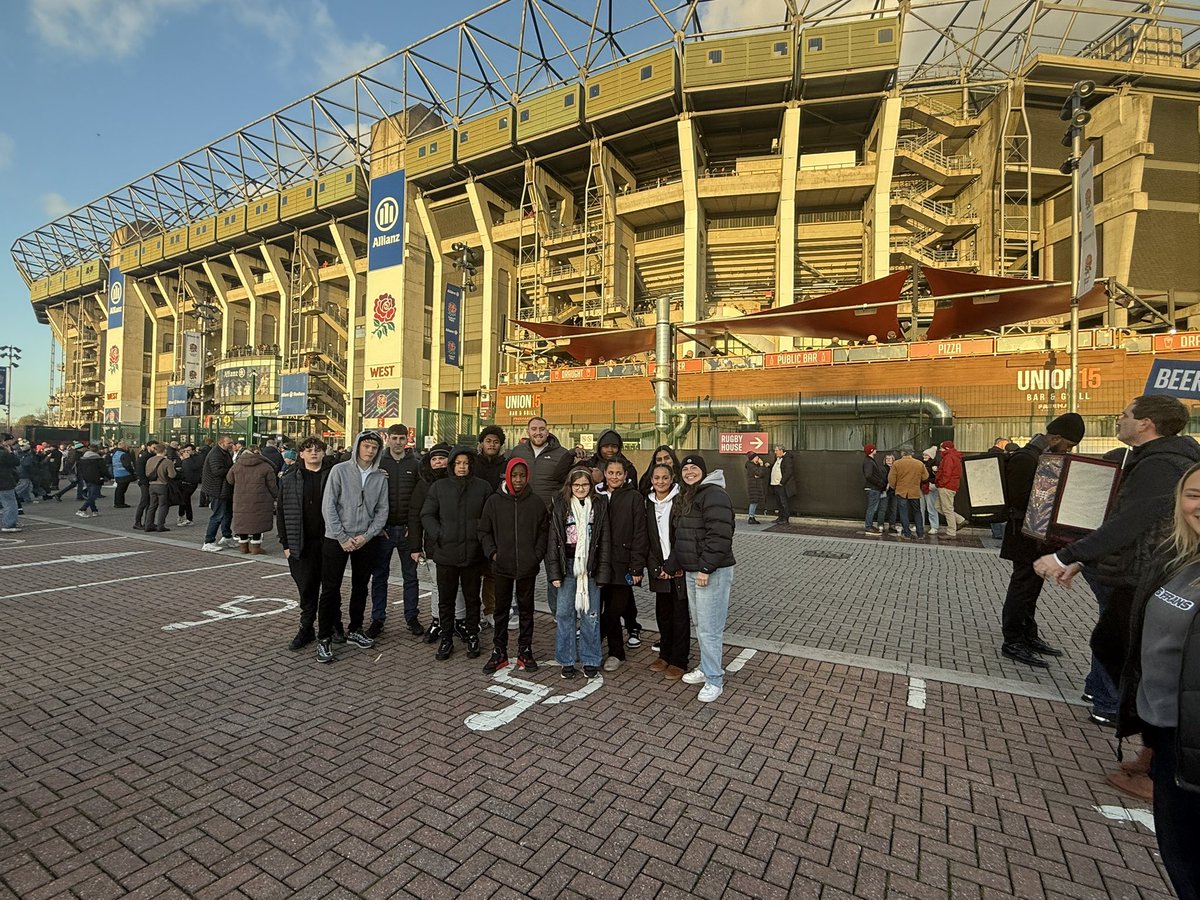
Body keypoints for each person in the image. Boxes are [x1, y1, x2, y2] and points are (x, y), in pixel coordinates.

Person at [1038, 396, 1200, 706]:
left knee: (1123, 648)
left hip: (1145, 573)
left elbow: (1128, 522)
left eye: (1124, 414)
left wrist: (1065, 556)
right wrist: (1084, 561)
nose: (1118, 419)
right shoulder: (1154, 458)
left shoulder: (1161, 463)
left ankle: (1126, 711)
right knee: (1113, 642)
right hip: (1135, 570)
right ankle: (1125, 713)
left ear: (1145, 424)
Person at [1094, 463, 1200, 900]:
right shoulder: (1178, 556)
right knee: (1179, 851)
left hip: (1193, 740)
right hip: (1165, 729)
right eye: (1194, 494)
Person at [997, 413, 1085, 667]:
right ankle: (1012, 640)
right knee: (1022, 588)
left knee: (1031, 589)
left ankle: (1028, 634)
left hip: (1037, 536)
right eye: (1067, 444)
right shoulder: (1026, 458)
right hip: (1024, 536)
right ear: (1055, 437)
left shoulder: (1042, 457)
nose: (1068, 450)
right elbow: (1020, 499)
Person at [667, 454, 735, 702]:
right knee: (701, 625)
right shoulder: (690, 495)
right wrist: (673, 564)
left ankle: (714, 679)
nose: (689, 472)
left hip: (711, 572)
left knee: (710, 629)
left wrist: (706, 568)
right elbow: (684, 535)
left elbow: (719, 535)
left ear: (703, 471)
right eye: (685, 469)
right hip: (693, 571)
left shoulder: (714, 495)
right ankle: (707, 667)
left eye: (694, 468)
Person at [316, 431, 389, 663]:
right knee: (330, 589)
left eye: (374, 447)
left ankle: (355, 629)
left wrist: (366, 536)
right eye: (366, 446)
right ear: (357, 446)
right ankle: (324, 637)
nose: (370, 451)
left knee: (360, 586)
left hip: (364, 540)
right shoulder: (340, 471)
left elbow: (382, 511)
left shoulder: (380, 477)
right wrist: (342, 537)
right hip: (336, 539)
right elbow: (329, 506)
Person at [478, 458, 549, 673]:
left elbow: (544, 531)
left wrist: (536, 555)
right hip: (502, 566)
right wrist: (493, 554)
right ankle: (499, 651)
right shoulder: (494, 501)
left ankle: (525, 651)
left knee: (526, 610)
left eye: (522, 475)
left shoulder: (535, 502)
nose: (518, 480)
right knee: (501, 610)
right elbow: (484, 531)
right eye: (514, 475)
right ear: (507, 475)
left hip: (527, 566)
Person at [421, 446, 492, 661]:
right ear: (452, 465)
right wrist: (439, 534)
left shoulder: (483, 487)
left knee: (472, 599)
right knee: (446, 600)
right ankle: (446, 639)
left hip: (473, 554)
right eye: (458, 463)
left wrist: (481, 537)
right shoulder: (439, 487)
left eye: (466, 463)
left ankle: (472, 635)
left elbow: (490, 516)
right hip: (446, 554)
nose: (462, 467)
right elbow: (427, 514)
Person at [547, 465, 611, 680]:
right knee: (564, 613)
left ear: (591, 485)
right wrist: (554, 574)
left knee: (590, 615)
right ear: (570, 486)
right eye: (577, 485)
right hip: (567, 565)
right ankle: (566, 659)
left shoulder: (600, 505)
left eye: (585, 484)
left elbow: (604, 541)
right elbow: (553, 540)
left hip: (590, 567)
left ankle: (591, 659)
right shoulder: (561, 505)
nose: (581, 488)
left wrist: (602, 573)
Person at [510, 416, 574, 614]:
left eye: (542, 429)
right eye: (534, 429)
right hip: (522, 520)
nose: (538, 432)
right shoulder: (517, 451)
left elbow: (568, 486)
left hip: (551, 521)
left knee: (553, 568)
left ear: (548, 430)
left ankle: (557, 611)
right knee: (519, 567)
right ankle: (517, 608)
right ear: (527, 431)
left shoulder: (562, 454)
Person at [277, 436, 334, 651]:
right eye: (309, 450)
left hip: (328, 541)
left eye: (318, 450)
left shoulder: (332, 476)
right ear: (301, 454)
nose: (313, 453)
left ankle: (332, 626)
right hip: (301, 543)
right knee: (307, 588)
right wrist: (285, 543)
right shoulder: (290, 478)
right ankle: (306, 628)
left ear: (323, 453)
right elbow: (281, 512)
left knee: (330, 588)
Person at [373, 424, 423, 638]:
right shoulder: (378, 462)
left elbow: (419, 499)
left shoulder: (416, 464)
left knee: (410, 577)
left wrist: (414, 529)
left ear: (407, 439)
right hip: (382, 532)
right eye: (394, 438)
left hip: (406, 532)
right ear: (388, 439)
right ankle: (377, 619)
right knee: (379, 577)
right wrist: (377, 526)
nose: (398, 442)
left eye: (401, 438)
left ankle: (411, 618)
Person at [598, 458, 648, 672]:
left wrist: (637, 567)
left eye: (619, 473)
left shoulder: (634, 497)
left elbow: (640, 533)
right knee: (601, 609)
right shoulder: (596, 496)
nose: (615, 476)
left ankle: (614, 652)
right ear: (605, 473)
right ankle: (612, 649)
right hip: (599, 564)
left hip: (623, 564)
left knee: (613, 611)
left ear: (625, 475)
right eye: (611, 472)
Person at [646, 462, 688, 679]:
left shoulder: (680, 500)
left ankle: (679, 660)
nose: (660, 481)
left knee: (680, 615)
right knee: (663, 614)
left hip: (677, 566)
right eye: (656, 478)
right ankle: (664, 654)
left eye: (664, 477)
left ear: (672, 479)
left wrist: (672, 566)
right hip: (659, 568)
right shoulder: (648, 502)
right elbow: (647, 538)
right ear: (651, 480)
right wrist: (656, 568)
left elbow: (684, 537)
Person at [410, 443, 452, 643]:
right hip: (434, 544)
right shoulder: (424, 484)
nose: (438, 462)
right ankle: (437, 621)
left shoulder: (457, 480)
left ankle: (457, 621)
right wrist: (415, 546)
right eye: (434, 459)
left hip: (459, 544)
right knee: (437, 585)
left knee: (458, 586)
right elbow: (415, 516)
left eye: (442, 458)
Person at [475, 425, 508, 629]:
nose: (492, 445)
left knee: (491, 573)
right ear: (481, 443)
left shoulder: (505, 466)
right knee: (472, 573)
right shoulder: (472, 464)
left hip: (496, 526)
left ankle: (490, 610)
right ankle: (473, 612)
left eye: (496, 442)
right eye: (488, 441)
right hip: (474, 523)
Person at [227, 446, 279, 554]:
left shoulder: (237, 465)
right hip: (260, 499)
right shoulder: (266, 466)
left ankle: (243, 547)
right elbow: (272, 485)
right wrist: (276, 496)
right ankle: (256, 547)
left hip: (240, 499)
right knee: (257, 522)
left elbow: (230, 480)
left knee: (243, 522)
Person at [201, 436, 237, 552]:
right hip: (216, 489)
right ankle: (208, 541)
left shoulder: (224, 453)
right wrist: (232, 469)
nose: (231, 445)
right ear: (221, 443)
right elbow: (217, 471)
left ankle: (226, 536)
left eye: (232, 443)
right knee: (217, 515)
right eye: (229, 443)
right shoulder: (215, 454)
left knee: (227, 513)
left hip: (224, 489)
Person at [888, 448, 928, 539]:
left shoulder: (897, 464)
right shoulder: (919, 463)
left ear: (902, 453)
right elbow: (926, 477)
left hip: (901, 491)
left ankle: (907, 533)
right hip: (914, 491)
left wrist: (895, 487)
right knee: (917, 512)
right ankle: (920, 533)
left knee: (903, 512)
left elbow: (891, 479)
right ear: (912, 454)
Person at [934, 439, 968, 538]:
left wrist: (941, 483)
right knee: (939, 507)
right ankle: (960, 520)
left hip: (946, 486)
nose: (940, 450)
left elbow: (946, 473)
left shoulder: (948, 458)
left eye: (941, 448)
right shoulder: (955, 457)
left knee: (947, 509)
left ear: (946, 448)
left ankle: (951, 532)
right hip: (950, 486)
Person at [143, 443, 178, 532]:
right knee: (163, 505)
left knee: (152, 506)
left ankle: (148, 524)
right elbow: (172, 475)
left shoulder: (149, 460)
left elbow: (147, 473)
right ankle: (160, 525)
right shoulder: (167, 462)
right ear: (164, 451)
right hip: (162, 485)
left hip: (152, 485)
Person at [74, 443, 106, 518]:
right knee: (93, 495)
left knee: (91, 494)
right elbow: (103, 469)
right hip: (96, 478)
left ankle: (94, 510)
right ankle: (82, 509)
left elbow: (80, 468)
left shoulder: (83, 458)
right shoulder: (98, 459)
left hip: (86, 478)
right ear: (97, 450)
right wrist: (109, 476)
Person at [862, 444, 888, 534]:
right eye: (874, 449)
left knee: (872, 508)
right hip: (873, 488)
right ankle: (868, 526)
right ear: (871, 450)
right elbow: (868, 475)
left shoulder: (869, 461)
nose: (876, 450)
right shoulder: (869, 462)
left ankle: (869, 525)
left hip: (873, 488)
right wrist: (879, 483)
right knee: (872, 508)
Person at [132, 440, 157, 530]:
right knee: (144, 501)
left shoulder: (153, 456)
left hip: (149, 482)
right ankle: (137, 522)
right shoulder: (144, 457)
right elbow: (140, 470)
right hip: (145, 482)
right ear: (148, 447)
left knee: (150, 503)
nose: (155, 449)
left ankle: (148, 522)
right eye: (154, 447)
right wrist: (144, 481)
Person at [770, 445, 797, 524]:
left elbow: (788, 471)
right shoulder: (777, 458)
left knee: (783, 502)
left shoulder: (787, 459)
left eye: (776, 450)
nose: (775, 452)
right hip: (775, 484)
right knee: (778, 502)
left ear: (781, 450)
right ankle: (780, 517)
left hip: (781, 484)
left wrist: (782, 482)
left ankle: (785, 518)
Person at [177, 445, 201, 526]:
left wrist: (187, 459)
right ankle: (181, 515)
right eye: (185, 451)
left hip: (191, 482)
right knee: (183, 499)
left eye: (188, 450)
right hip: (183, 481)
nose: (186, 452)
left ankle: (188, 518)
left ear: (193, 451)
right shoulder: (186, 459)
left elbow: (193, 468)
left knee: (185, 499)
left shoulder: (197, 458)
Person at [742, 452, 768, 525]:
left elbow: (761, 474)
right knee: (753, 501)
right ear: (752, 458)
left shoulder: (754, 465)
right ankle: (751, 517)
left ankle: (752, 516)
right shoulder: (751, 465)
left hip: (755, 485)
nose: (758, 458)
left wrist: (760, 473)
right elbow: (759, 473)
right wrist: (761, 465)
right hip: (753, 485)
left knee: (755, 501)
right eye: (756, 457)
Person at [0, 433, 19, 532]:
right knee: (10, 503)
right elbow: (16, 462)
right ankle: (9, 524)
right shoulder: (4, 453)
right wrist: (10, 452)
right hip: (4, 481)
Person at [920, 447, 940, 535]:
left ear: (931, 456)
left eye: (926, 455)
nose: (924, 456)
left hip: (930, 487)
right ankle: (920, 524)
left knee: (931, 507)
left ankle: (934, 526)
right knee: (921, 507)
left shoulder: (935, 465)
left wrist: (932, 483)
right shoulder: (921, 464)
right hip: (922, 487)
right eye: (923, 455)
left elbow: (937, 477)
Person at [110, 440, 135, 507]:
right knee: (122, 490)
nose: (128, 448)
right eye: (127, 446)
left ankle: (118, 502)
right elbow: (127, 465)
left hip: (117, 473)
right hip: (124, 474)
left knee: (119, 489)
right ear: (124, 447)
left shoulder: (115, 454)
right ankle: (119, 503)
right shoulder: (123, 454)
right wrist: (132, 472)